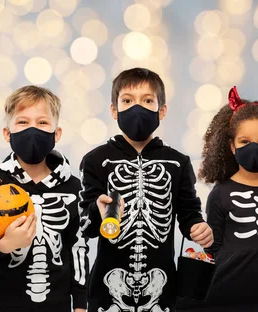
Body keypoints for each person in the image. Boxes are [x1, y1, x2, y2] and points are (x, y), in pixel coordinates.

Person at [79, 67, 213, 312]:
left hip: (161, 289)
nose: (136, 108)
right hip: (108, 292)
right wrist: (97, 211)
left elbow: (188, 212)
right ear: (114, 110)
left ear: (161, 110)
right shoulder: (95, 160)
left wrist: (198, 227)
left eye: (147, 100)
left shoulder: (178, 162)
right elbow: (85, 227)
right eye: (127, 101)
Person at [178, 86, 258, 311]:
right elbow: (214, 247)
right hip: (229, 294)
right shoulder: (220, 193)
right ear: (231, 146)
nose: (254, 148)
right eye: (244, 141)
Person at [0, 85, 88, 312]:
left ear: (56, 134)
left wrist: (80, 304)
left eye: (42, 123)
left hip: (58, 307)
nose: (33, 130)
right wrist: (3, 245)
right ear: (7, 133)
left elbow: (77, 248)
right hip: (4, 306)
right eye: (22, 122)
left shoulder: (73, 189)